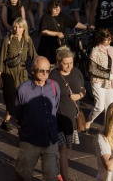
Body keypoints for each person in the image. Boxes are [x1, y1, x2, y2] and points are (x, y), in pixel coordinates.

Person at [14, 56, 60, 181]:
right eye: (41, 71)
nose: (45, 74)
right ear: (33, 70)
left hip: (51, 139)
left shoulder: (54, 86)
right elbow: (18, 113)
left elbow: (55, 107)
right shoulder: (23, 90)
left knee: (51, 175)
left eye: (47, 71)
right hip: (30, 140)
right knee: (24, 173)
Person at [49, 49, 85, 181]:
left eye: (71, 62)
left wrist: (79, 95)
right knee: (63, 149)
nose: (69, 66)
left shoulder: (76, 72)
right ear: (59, 62)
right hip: (58, 118)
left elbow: (83, 89)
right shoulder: (53, 76)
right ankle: (65, 177)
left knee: (65, 148)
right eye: (65, 63)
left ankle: (56, 168)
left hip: (72, 119)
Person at [0, 17, 36, 132]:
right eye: (14, 26)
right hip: (8, 73)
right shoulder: (7, 40)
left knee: (22, 99)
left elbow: (34, 55)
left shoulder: (28, 40)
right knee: (13, 100)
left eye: (19, 27)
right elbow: (1, 59)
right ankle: (21, 128)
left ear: (24, 28)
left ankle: (6, 121)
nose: (16, 29)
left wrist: (42, 66)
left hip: (22, 73)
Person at [86, 28, 113, 132]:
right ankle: (89, 120)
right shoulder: (95, 51)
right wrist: (108, 75)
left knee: (110, 107)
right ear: (100, 39)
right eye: (105, 40)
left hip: (111, 82)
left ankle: (107, 130)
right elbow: (92, 69)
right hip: (98, 81)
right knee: (99, 106)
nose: (108, 42)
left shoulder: (112, 49)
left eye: (109, 39)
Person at [37, 0, 87, 64]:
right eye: (55, 9)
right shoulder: (45, 17)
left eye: (59, 8)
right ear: (50, 8)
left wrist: (86, 27)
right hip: (47, 46)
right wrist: (57, 33)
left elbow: (74, 23)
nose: (57, 10)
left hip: (58, 44)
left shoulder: (62, 16)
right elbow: (43, 31)